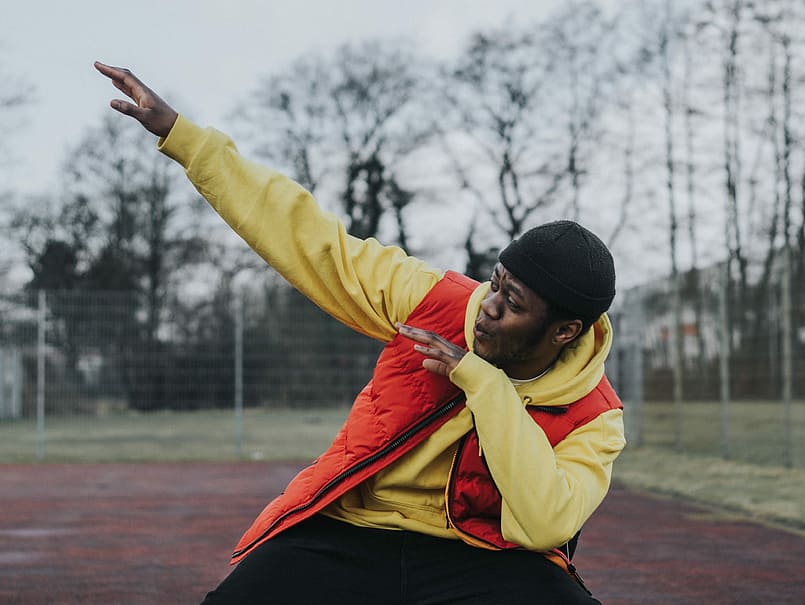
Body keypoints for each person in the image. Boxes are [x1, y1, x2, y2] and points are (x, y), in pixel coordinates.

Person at [95, 61, 626, 605]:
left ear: (564, 331)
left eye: (511, 304)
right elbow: (311, 238)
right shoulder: (431, 300)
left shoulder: (595, 417)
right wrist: (187, 140)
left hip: (484, 553)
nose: (487, 308)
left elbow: (543, 526)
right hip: (354, 530)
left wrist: (482, 384)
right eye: (495, 284)